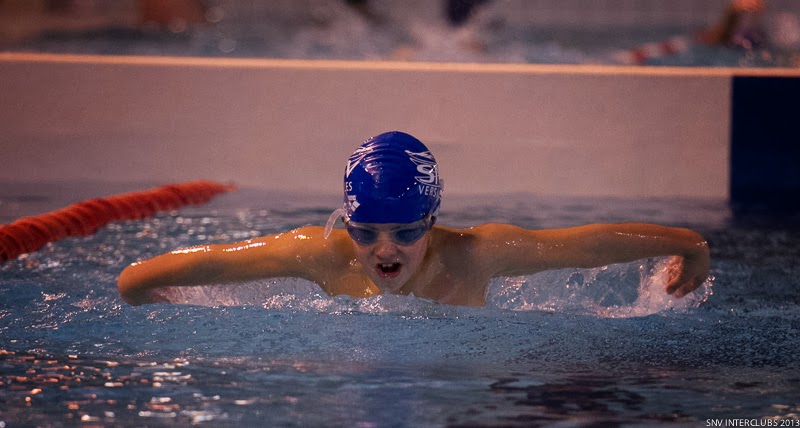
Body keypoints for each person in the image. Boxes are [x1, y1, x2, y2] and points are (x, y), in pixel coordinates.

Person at [118, 131, 710, 307]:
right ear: (344, 223)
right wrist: (153, 300)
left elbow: (586, 244)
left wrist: (690, 244)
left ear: (431, 222)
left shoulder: (477, 255)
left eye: (404, 232)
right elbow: (152, 274)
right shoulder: (317, 253)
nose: (384, 250)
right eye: (364, 232)